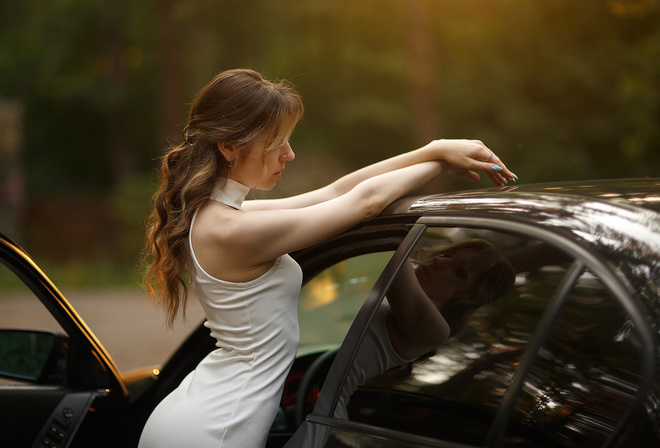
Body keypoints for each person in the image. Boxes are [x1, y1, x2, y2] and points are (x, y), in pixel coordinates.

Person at [138, 68, 518, 448]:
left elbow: (334, 191)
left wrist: (432, 150)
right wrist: (441, 163)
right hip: (214, 431)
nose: (289, 152)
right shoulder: (232, 231)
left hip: (197, 415)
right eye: (277, 141)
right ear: (229, 147)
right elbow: (365, 203)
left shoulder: (220, 216)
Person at [334, 239, 516, 420]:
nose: (438, 261)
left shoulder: (435, 330)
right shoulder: (379, 289)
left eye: (458, 271)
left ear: (469, 297)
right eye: (445, 255)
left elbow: (391, 245)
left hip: (312, 409)